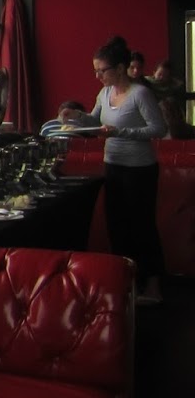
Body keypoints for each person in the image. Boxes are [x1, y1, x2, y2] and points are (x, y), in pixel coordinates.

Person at [61, 36, 168, 302]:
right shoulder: (105, 93)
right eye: (95, 70)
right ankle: (127, 285)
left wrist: (120, 131)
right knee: (117, 227)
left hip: (140, 169)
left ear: (120, 68)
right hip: (113, 166)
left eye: (102, 70)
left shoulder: (140, 94)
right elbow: (95, 121)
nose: (97, 76)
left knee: (142, 227)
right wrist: (76, 117)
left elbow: (158, 129)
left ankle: (153, 287)